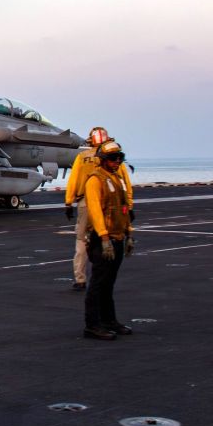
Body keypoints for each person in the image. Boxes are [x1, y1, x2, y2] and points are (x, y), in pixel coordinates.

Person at [64, 127, 134, 291]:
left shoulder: (82, 157)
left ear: (91, 140)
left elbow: (73, 180)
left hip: (84, 204)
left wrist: (68, 202)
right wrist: (129, 205)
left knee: (81, 241)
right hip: (111, 204)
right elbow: (124, 183)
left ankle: (80, 279)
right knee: (110, 238)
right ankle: (102, 272)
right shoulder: (114, 158)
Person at [82, 140, 134, 340]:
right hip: (102, 240)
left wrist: (129, 233)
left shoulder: (117, 178)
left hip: (118, 237)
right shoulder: (95, 180)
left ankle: (109, 321)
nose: (117, 161)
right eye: (113, 158)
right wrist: (103, 237)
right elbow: (95, 211)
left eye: (119, 158)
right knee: (98, 284)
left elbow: (123, 208)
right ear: (103, 160)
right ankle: (92, 325)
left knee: (108, 283)